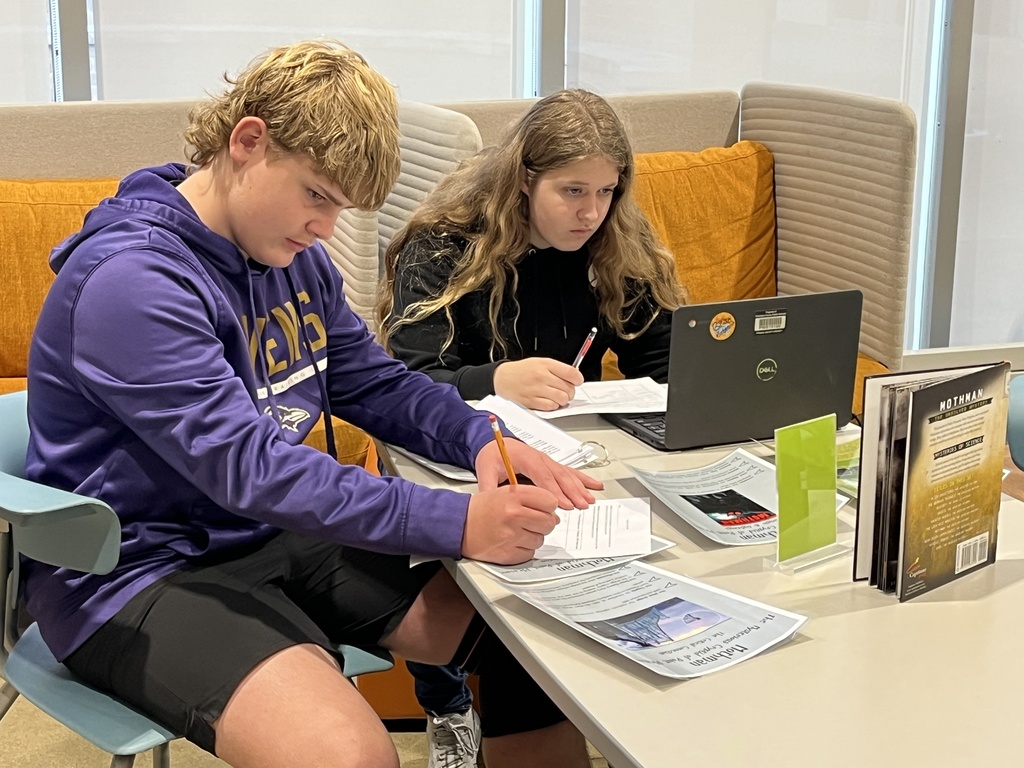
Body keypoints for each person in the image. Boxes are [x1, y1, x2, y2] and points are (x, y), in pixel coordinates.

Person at [24, 40, 604, 768]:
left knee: (532, 643)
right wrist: (458, 518)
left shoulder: (290, 259)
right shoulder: (131, 281)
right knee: (349, 755)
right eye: (317, 195)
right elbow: (252, 470)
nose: (326, 229)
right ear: (248, 141)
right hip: (137, 571)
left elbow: (372, 381)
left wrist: (480, 437)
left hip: (266, 532)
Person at [377, 88, 686, 413]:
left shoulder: (616, 238)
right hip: (466, 436)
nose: (592, 213)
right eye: (574, 191)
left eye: (605, 191)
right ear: (525, 178)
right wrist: (495, 381)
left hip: (580, 445)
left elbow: (663, 367)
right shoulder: (444, 241)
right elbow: (413, 383)